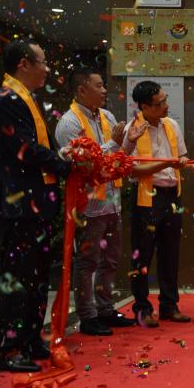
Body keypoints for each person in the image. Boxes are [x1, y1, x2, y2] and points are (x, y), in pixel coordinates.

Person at [0, 40, 71, 372]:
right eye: (43, 62)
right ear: (24, 64)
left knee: (37, 277)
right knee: (17, 279)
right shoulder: (7, 99)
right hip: (19, 205)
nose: (47, 69)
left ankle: (30, 338)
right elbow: (24, 149)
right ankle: (8, 347)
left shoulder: (25, 97)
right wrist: (64, 165)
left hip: (37, 204)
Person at [54, 66, 134, 336]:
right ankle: (87, 316)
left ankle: (105, 309)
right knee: (87, 262)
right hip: (88, 205)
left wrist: (129, 143)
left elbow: (118, 156)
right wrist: (113, 144)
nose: (104, 90)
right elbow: (83, 163)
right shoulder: (68, 123)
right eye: (99, 86)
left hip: (112, 200)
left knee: (110, 260)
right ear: (81, 90)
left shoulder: (107, 116)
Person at [121, 81, 192, 327]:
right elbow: (132, 170)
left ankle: (169, 305)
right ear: (144, 106)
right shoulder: (132, 130)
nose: (166, 106)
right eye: (160, 103)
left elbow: (181, 156)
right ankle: (142, 308)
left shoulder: (172, 124)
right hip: (146, 197)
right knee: (142, 255)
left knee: (170, 253)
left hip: (172, 194)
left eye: (165, 99)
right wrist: (167, 163)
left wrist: (185, 162)